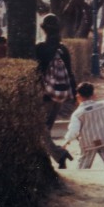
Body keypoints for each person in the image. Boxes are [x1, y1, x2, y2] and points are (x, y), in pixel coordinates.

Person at [62, 82, 104, 180]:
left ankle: (81, 175)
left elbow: (74, 130)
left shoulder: (77, 114)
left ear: (78, 96)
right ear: (93, 94)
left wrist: (67, 141)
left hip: (88, 143)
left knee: (85, 160)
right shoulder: (103, 105)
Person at [35, 13, 76, 169]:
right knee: (46, 129)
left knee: (40, 130)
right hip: (59, 94)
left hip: (44, 94)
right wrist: (73, 95)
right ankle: (50, 159)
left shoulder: (39, 48)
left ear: (43, 29)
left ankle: (59, 154)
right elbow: (70, 73)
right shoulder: (63, 49)